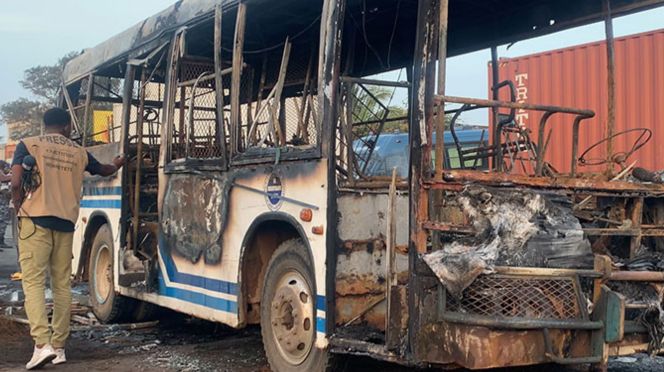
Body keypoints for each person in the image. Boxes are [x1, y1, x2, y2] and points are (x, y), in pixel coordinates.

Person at [11, 108, 125, 370]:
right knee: (62, 285)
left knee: (34, 284)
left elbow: (16, 182)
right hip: (65, 224)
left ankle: (42, 345)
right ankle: (59, 347)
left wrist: (19, 208)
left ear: (47, 125)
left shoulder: (29, 144)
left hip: (34, 222)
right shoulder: (79, 152)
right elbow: (104, 170)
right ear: (65, 127)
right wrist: (118, 163)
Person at [0, 160, 11, 249]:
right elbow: (3, 178)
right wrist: (18, 174)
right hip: (1, 203)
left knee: (3, 221)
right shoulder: (1, 174)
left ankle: (1, 241)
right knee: (2, 221)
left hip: (3, 201)